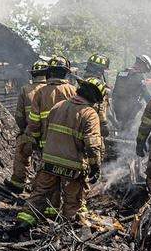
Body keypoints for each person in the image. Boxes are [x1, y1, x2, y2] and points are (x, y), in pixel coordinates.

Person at [22, 77, 106, 222]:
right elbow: (92, 146)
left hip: (48, 163)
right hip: (72, 168)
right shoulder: (90, 114)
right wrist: (95, 166)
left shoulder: (58, 106)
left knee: (39, 195)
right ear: (95, 98)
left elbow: (46, 131)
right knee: (73, 203)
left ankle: (24, 221)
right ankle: (67, 232)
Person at [14, 55, 77, 183]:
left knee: (24, 153)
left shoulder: (39, 92)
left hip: (42, 139)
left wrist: (30, 134)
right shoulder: (74, 91)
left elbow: (26, 118)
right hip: (68, 142)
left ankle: (18, 183)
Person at [8, 58, 48, 192]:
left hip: (30, 132)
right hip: (50, 136)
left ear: (33, 74)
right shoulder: (52, 90)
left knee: (21, 153)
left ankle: (18, 183)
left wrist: (23, 130)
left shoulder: (25, 90)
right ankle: (42, 188)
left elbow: (19, 116)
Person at [111, 54, 151, 133]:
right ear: (142, 64)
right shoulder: (139, 76)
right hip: (130, 111)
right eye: (145, 69)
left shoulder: (121, 73)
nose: (144, 71)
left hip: (116, 107)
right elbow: (146, 94)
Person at [81, 53, 112, 137]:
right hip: (93, 125)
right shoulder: (97, 86)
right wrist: (105, 124)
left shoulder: (82, 83)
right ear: (100, 70)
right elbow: (101, 107)